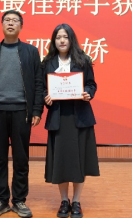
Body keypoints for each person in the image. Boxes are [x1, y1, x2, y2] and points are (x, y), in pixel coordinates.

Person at [0, 11, 43, 218]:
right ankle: (1, 200)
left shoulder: (31, 51)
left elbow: (38, 82)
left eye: (15, 21)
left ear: (21, 26)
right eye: (7, 20)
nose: (11, 23)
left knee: (21, 159)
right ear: (2, 25)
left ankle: (19, 200)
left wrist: (37, 109)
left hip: (22, 111)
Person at [43, 24, 99, 219]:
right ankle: (64, 201)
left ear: (71, 39)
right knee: (61, 161)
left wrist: (88, 93)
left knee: (78, 160)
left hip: (79, 117)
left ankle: (76, 201)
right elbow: (42, 87)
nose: (62, 40)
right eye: (58, 37)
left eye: (65, 37)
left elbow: (91, 84)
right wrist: (45, 98)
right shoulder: (47, 62)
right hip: (58, 117)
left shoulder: (83, 60)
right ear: (54, 40)